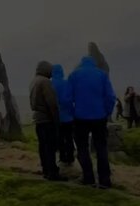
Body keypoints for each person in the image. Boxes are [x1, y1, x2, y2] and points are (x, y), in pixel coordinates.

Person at [68, 56, 116, 188]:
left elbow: (67, 99)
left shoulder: (74, 75)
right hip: (99, 117)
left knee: (82, 148)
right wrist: (107, 112)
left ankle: (88, 178)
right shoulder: (102, 75)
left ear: (81, 64)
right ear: (94, 64)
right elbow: (111, 97)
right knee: (101, 148)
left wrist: (73, 112)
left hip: (80, 117)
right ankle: (105, 181)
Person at [29, 60, 66, 181]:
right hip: (46, 119)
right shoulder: (45, 82)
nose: (52, 73)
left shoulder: (34, 81)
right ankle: (53, 173)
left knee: (43, 147)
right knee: (50, 147)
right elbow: (52, 103)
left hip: (38, 119)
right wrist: (57, 119)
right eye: (50, 70)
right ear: (45, 70)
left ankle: (46, 170)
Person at [51, 64, 75, 166]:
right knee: (69, 137)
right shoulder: (67, 83)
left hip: (56, 116)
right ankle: (70, 157)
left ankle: (62, 157)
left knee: (59, 137)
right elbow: (71, 98)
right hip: (68, 116)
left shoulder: (50, 84)